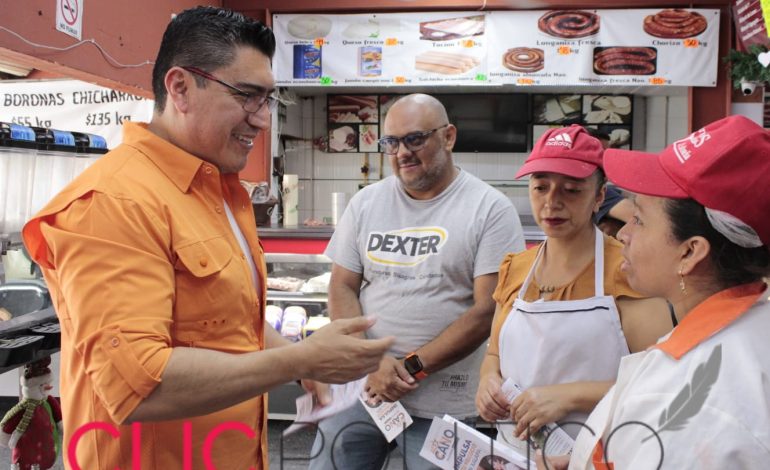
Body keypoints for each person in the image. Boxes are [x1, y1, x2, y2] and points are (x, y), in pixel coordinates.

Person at [20, 7, 392, 469]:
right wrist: (300, 362)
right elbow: (139, 387)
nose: (262, 120)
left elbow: (232, 318)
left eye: (269, 100)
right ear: (180, 88)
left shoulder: (217, 191)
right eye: (247, 96)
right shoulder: (113, 202)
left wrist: (301, 360)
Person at [538, 115, 770, 469]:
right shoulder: (744, 328)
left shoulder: (691, 405)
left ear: (690, 253)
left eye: (639, 219)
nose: (623, 233)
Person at [308, 93, 526, 470]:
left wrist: (409, 368)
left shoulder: (490, 209)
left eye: (414, 139)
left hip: (443, 403)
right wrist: (370, 362)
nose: (402, 153)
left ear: (449, 137)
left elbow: (486, 310)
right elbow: (342, 285)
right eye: (391, 142)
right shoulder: (366, 203)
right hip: (362, 390)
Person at [476, 125, 673, 446]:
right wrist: (488, 379)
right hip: (514, 451)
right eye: (541, 187)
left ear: (599, 196)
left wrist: (570, 397)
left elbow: (662, 381)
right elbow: (495, 353)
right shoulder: (516, 268)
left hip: (600, 454)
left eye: (571, 190)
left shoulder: (629, 272)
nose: (552, 202)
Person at [585, 128, 633, 238]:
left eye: (606, 153)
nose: (605, 159)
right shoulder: (597, 192)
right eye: (600, 153)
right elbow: (643, 219)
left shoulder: (608, 189)